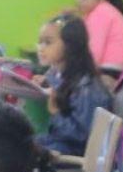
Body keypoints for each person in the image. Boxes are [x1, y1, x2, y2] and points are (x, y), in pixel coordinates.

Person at [35, 15, 112, 156]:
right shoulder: (58, 74)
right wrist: (46, 83)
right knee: (16, 141)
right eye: (39, 42)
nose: (41, 48)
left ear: (70, 45)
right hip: (59, 143)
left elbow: (82, 136)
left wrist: (56, 113)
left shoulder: (87, 88)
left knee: (21, 152)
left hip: (74, 154)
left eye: (48, 42)